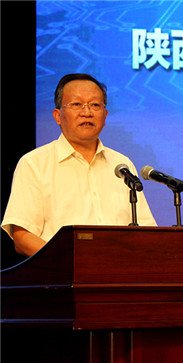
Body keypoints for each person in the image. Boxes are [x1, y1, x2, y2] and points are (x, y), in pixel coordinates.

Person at [1, 73, 156, 257]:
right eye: (76, 104)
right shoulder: (35, 163)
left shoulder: (121, 164)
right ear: (58, 116)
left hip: (118, 270)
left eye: (95, 105)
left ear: (105, 115)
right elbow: (23, 236)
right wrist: (70, 263)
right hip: (61, 272)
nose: (87, 112)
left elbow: (147, 230)